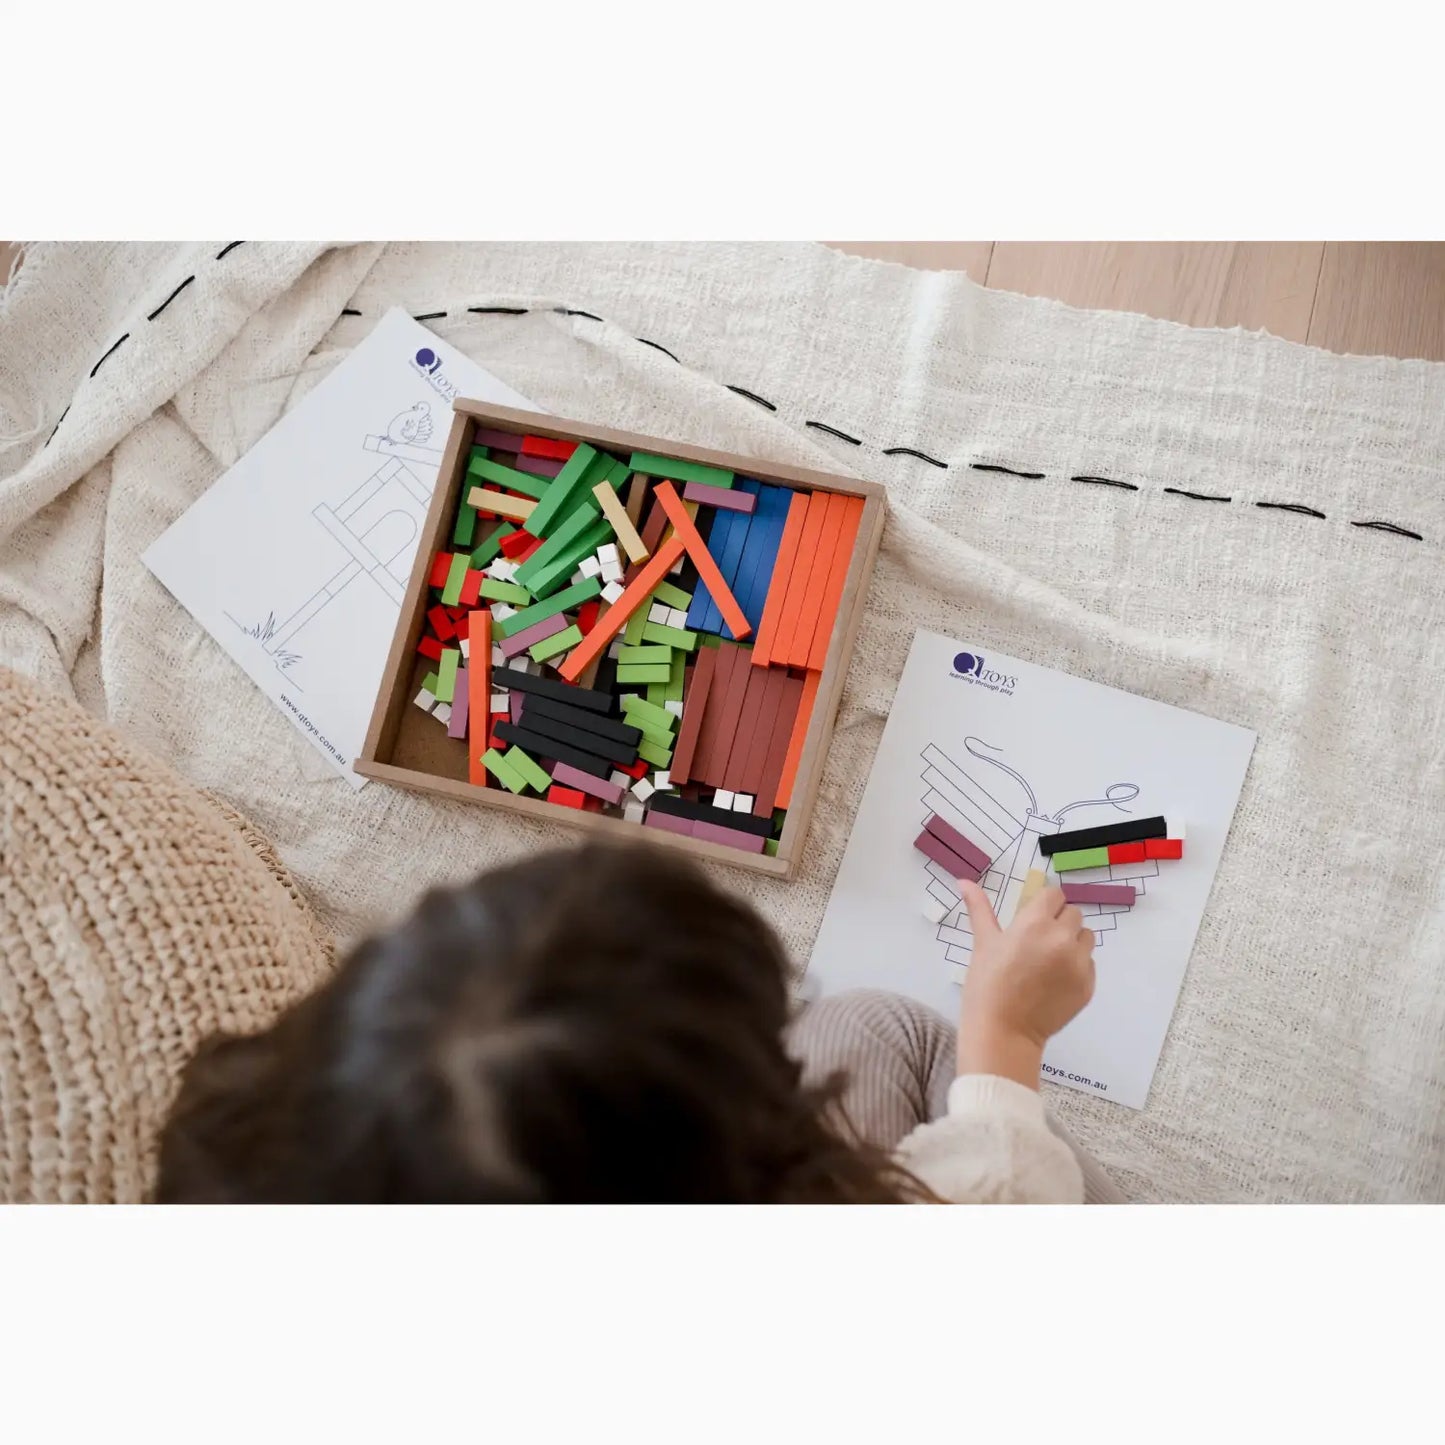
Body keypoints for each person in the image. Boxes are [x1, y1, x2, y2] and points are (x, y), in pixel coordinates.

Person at [155, 843, 1121, 1203]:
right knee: (895, 1041)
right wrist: (1006, 1040)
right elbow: (1005, 1188)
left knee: (861, 1028)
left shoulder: (256, 1176)